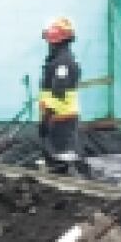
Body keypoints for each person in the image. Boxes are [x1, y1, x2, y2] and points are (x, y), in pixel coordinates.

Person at [36, 16, 84, 169]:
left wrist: (47, 117)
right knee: (55, 157)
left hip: (61, 120)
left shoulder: (62, 63)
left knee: (61, 159)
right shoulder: (60, 60)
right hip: (57, 118)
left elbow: (58, 92)